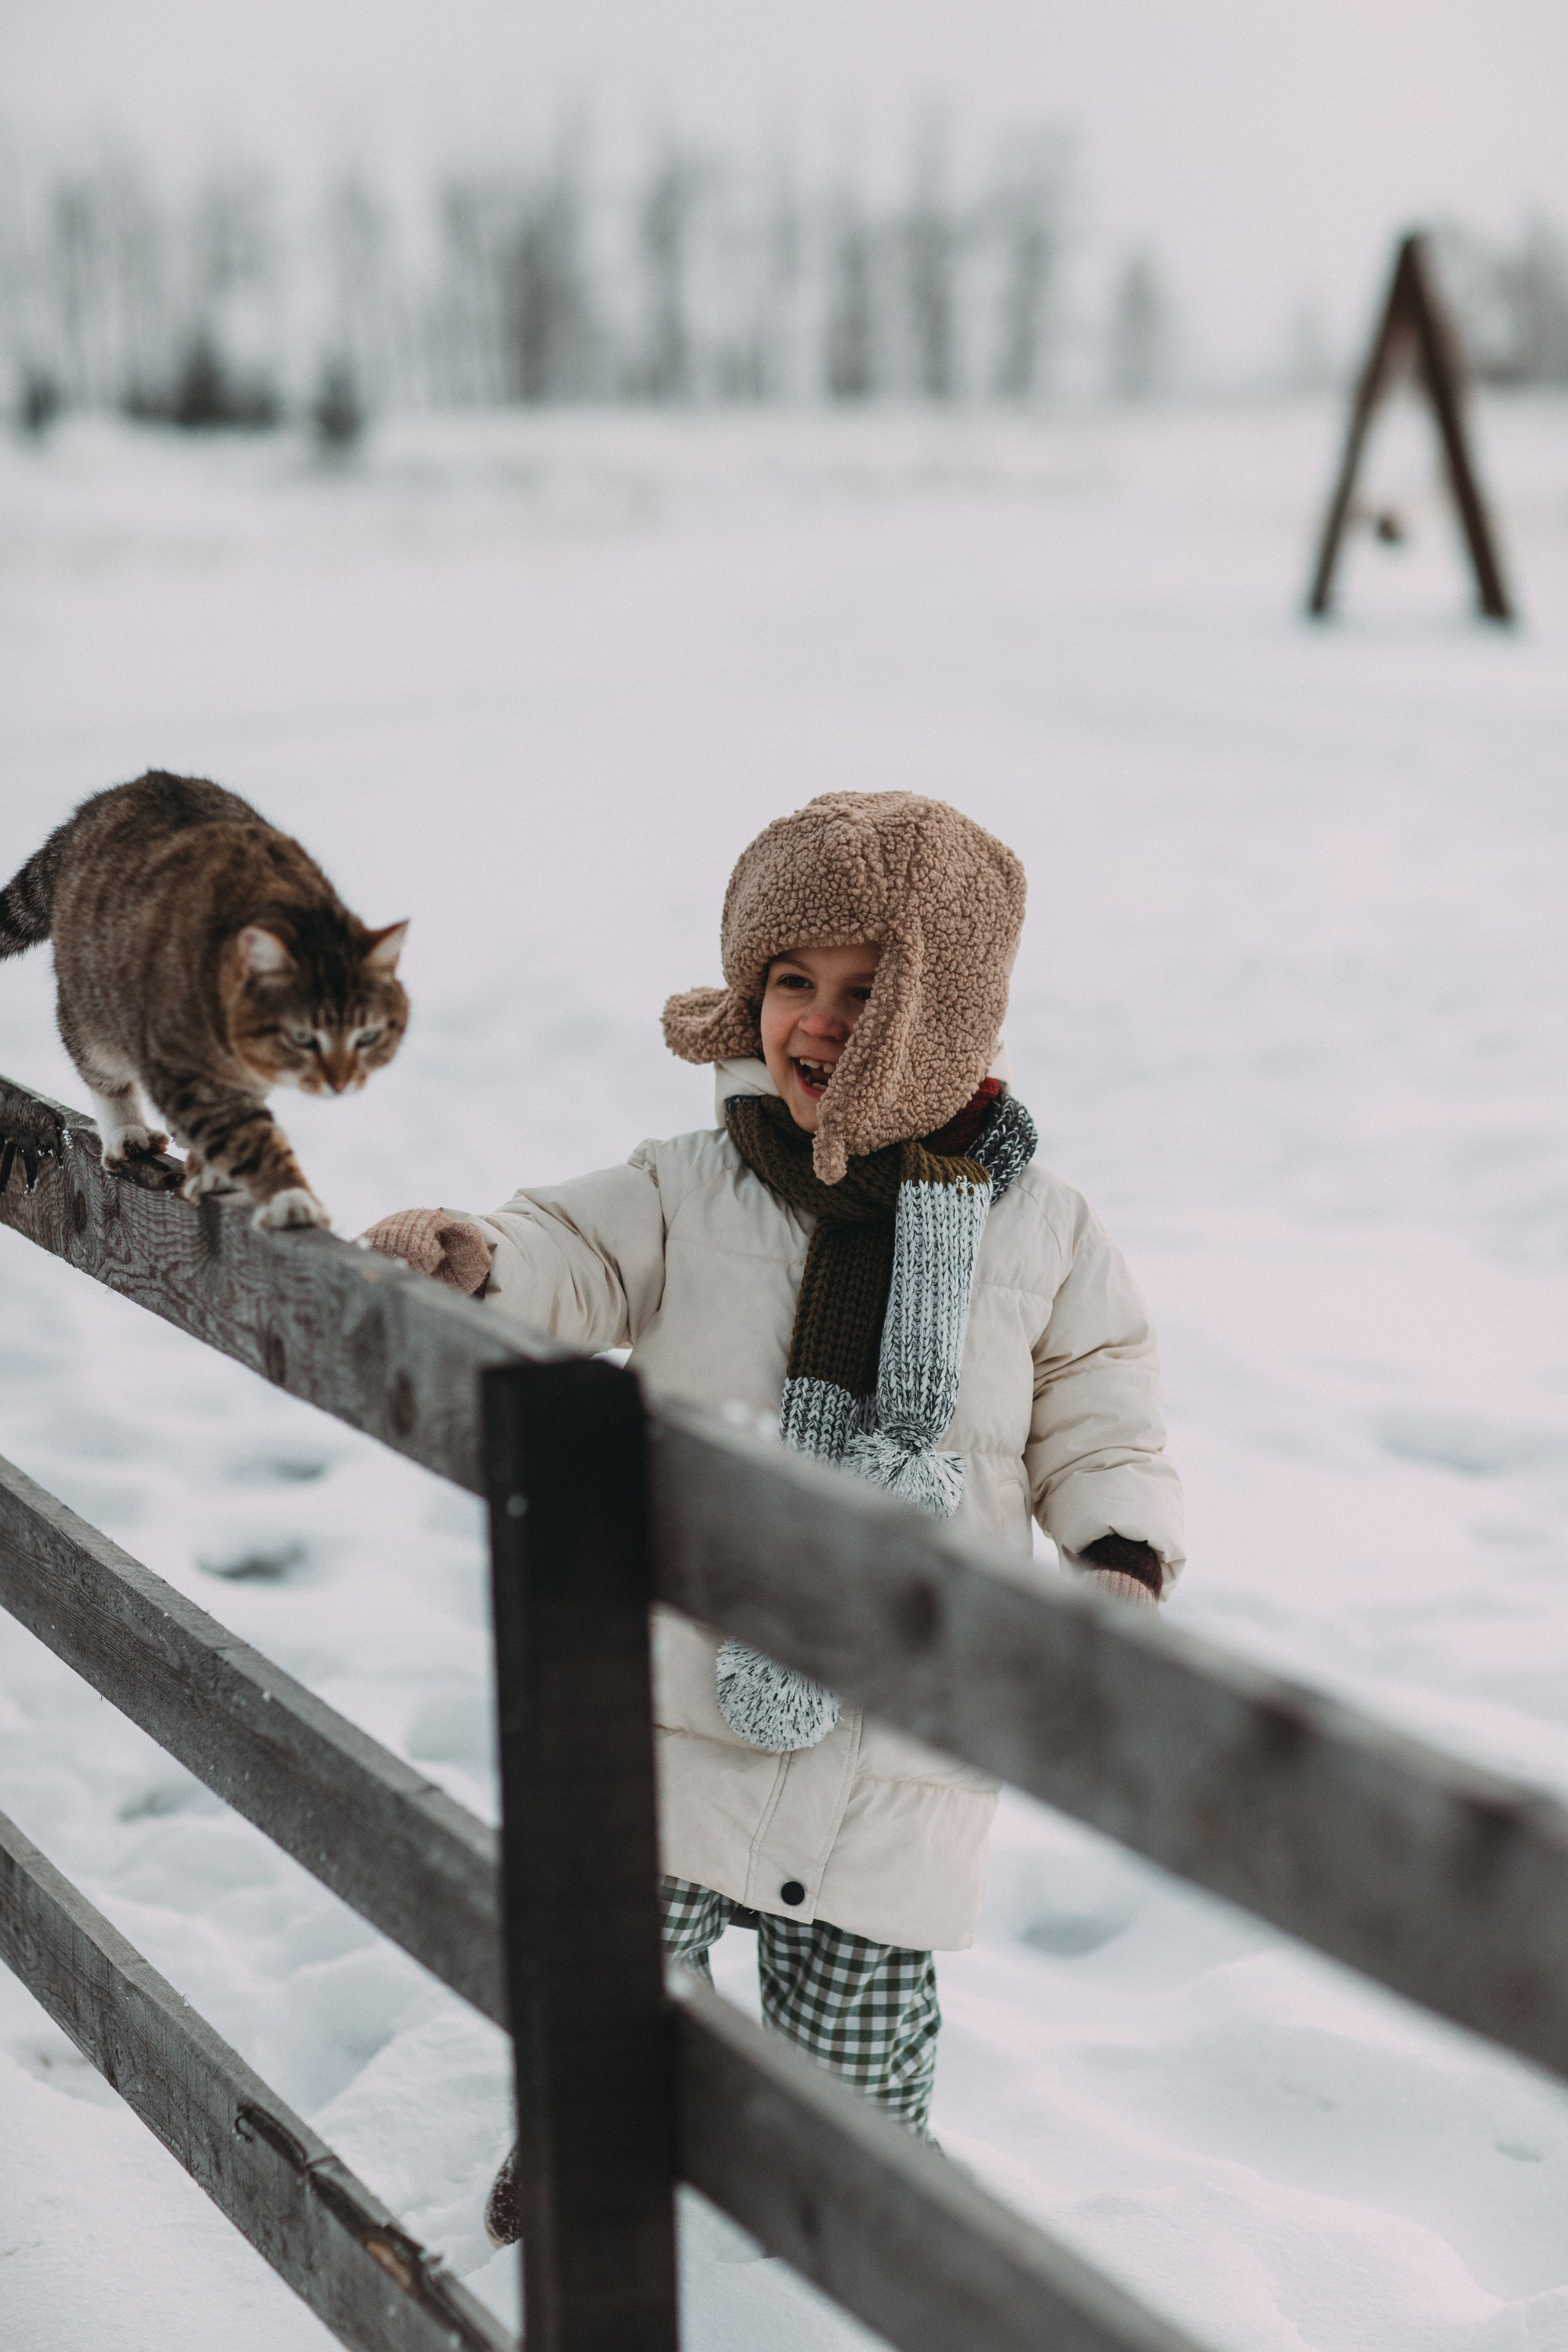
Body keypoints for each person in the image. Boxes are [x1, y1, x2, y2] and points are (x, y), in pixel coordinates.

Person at [361, 790, 1184, 2241]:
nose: (818, 1022)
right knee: (611, 1982)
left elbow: (1098, 1401)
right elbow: (569, 1253)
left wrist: (1115, 1555)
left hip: (898, 1729)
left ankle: (845, 2236)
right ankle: (577, 2171)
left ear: (947, 1014)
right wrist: (479, 1255)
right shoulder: (689, 1186)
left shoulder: (1042, 1227)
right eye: (791, 981)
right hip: (682, 1697)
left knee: (858, 2058)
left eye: (868, 992)